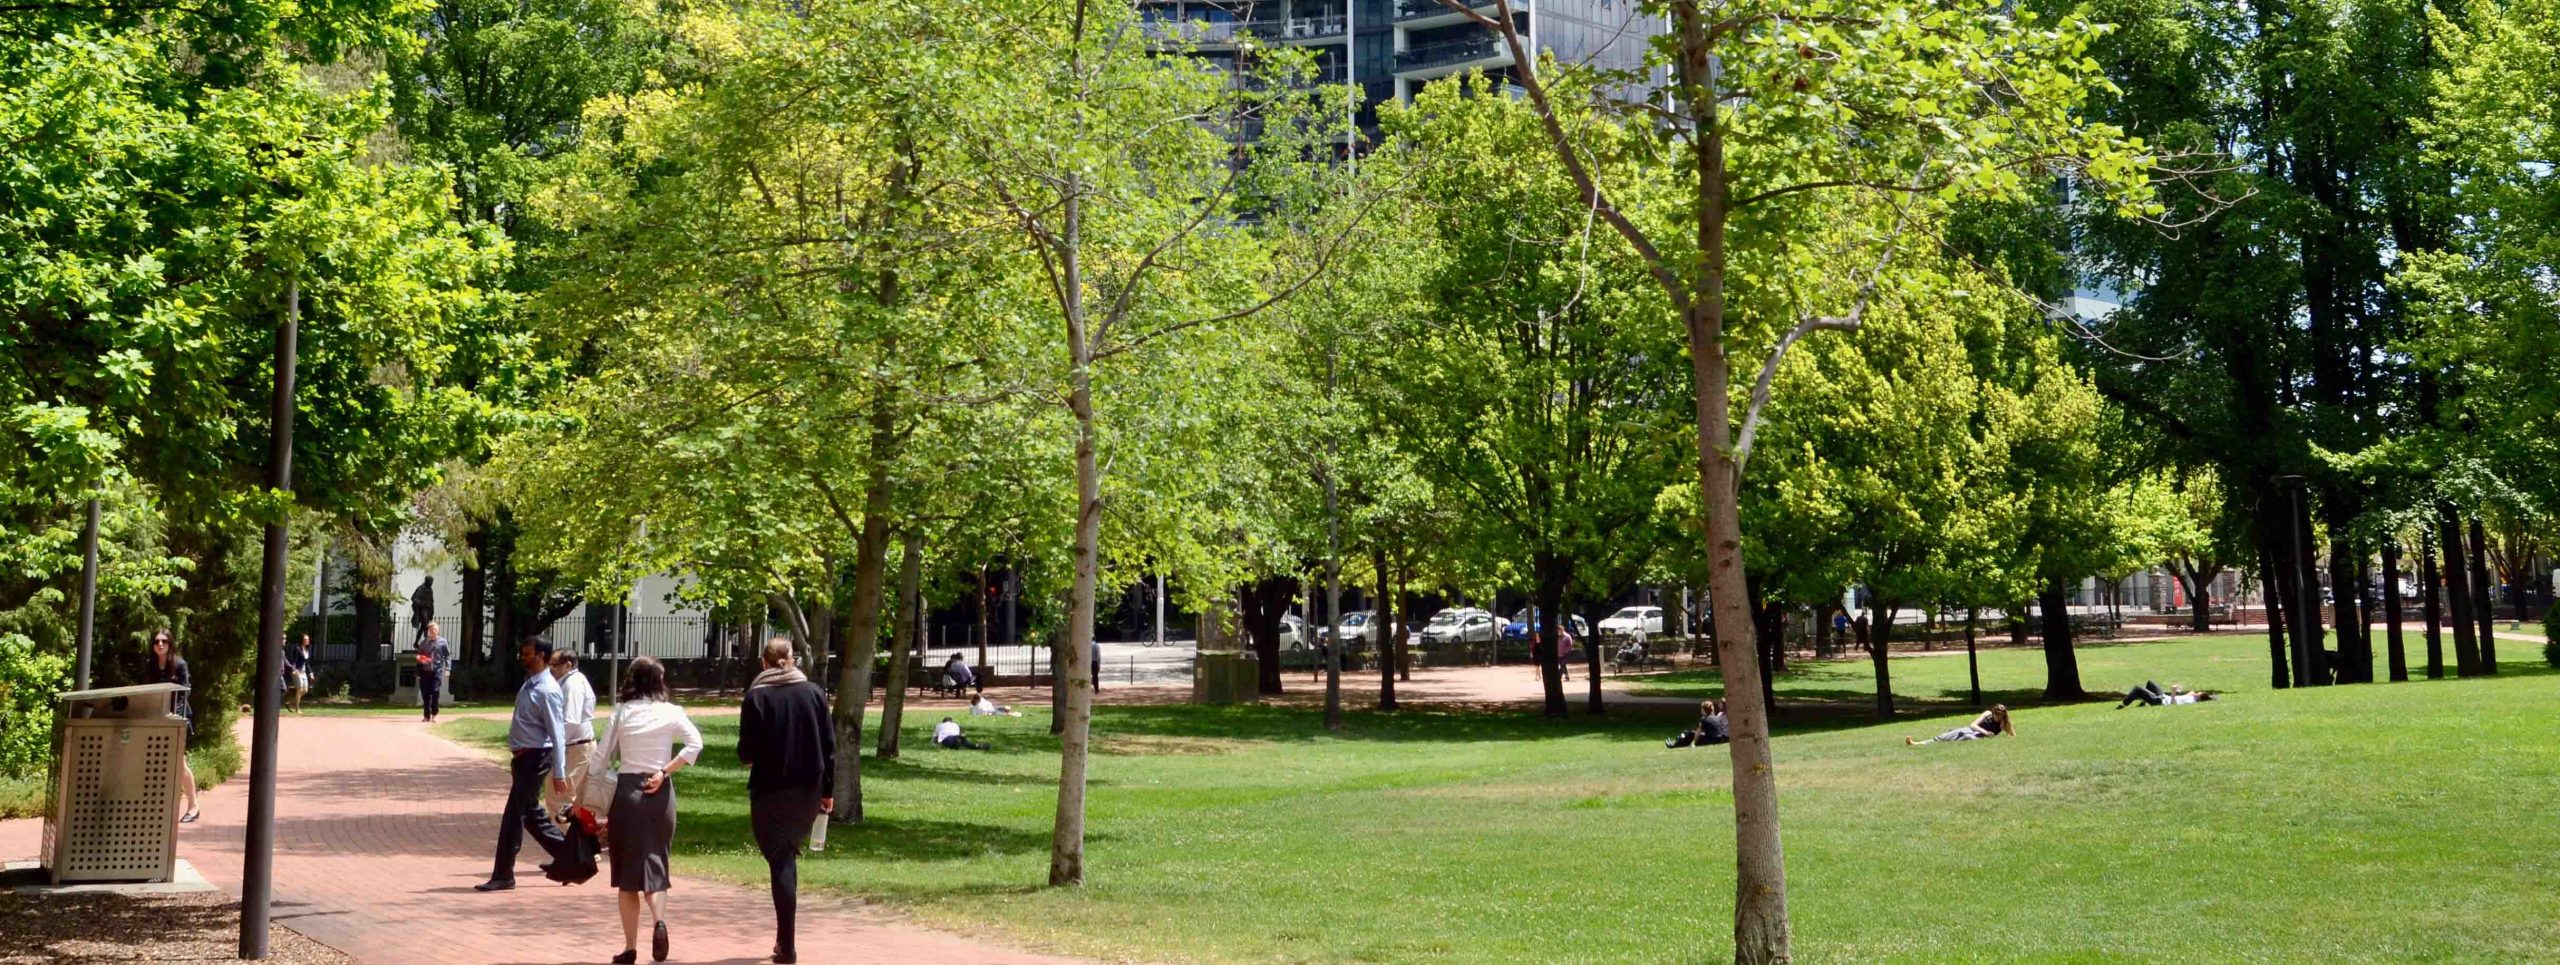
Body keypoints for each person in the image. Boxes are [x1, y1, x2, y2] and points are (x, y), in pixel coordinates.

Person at [589, 656, 702, 964]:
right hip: (661, 793)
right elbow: (695, 744)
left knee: (627, 877)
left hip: (627, 792)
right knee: (656, 864)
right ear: (659, 681)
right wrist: (665, 771)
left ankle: (630, 947)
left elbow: (601, 757)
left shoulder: (622, 712)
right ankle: (659, 920)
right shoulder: (672, 712)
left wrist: (587, 794)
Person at [738, 638, 834, 965]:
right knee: (786, 857)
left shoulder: (756, 697)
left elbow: (746, 752)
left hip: (770, 790)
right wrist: (828, 791)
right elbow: (829, 747)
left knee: (780, 861)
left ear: (763, 663)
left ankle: (787, 944)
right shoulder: (814, 693)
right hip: (809, 789)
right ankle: (784, 941)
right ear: (792, 660)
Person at [478, 639, 573, 893]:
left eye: (528, 654)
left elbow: (557, 733)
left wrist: (559, 771)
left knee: (514, 816)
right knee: (530, 813)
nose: (523, 657)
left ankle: (503, 875)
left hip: (535, 758)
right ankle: (573, 859)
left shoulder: (548, 690)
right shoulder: (530, 684)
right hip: (522, 759)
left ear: (541, 656)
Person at [148, 630, 200, 824]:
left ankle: (193, 806)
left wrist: (175, 718)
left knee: (179, 762)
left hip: (176, 719)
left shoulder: (179, 664)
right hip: (156, 719)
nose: (160, 645)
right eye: (156, 642)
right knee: (157, 762)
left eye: (164, 641)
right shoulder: (151, 665)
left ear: (170, 644)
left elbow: (184, 693)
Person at [548, 651, 599, 823]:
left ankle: (566, 840)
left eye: (554, 665)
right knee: (577, 804)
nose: (550, 669)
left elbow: (570, 721)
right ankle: (582, 840)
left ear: (568, 665)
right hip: (579, 748)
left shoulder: (572, 685)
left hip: (574, 749)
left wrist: (553, 745)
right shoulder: (573, 681)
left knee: (558, 801)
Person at [1907, 705, 2015, 746]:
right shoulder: (1987, 714)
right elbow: (1973, 724)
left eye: (2000, 715)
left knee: (1967, 737)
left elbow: (2012, 735)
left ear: (2004, 715)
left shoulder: (2003, 723)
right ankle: (1917, 743)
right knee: (1944, 736)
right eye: (1996, 713)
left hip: (1978, 736)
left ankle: (1949, 744)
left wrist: (1991, 736)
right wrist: (1986, 732)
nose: (1997, 716)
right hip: (1971, 730)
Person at [418, 621, 452, 723]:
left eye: (435, 630)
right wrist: (421, 661)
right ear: (428, 631)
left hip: (437, 671)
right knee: (425, 694)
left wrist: (448, 669)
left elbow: (447, 656)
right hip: (425, 671)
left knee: (435, 691)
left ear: (438, 631)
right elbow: (419, 656)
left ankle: (434, 714)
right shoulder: (424, 643)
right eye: (431, 630)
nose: (433, 632)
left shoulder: (443, 642)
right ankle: (426, 715)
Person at [2117, 681, 2216, 708]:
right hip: (2164, 697)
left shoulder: (2190, 701)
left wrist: (2173, 691)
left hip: (2160, 702)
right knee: (2150, 683)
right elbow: (2191, 692)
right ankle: (2143, 703)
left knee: (2137, 689)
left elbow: (2173, 704)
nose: (2196, 692)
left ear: (2199, 696)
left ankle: (2122, 705)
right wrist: (2190, 692)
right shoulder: (2192, 697)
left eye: (2198, 693)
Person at [285, 633, 314, 715]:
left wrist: (311, 673)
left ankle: (290, 703)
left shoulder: (307, 650)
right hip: (297, 672)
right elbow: (294, 661)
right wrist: (294, 670)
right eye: (305, 639)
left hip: (303, 672)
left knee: (305, 690)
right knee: (299, 689)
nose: (307, 641)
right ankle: (297, 709)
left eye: (308, 639)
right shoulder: (297, 649)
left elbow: (307, 664)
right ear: (302, 640)